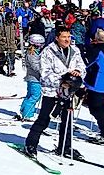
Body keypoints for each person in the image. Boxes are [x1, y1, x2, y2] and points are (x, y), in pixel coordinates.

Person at [24, 27, 86, 158]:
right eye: (64, 37)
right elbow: (44, 72)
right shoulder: (48, 51)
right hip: (52, 91)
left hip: (69, 91)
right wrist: (63, 78)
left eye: (69, 37)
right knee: (44, 119)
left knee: (67, 121)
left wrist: (78, 73)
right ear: (57, 38)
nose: (67, 40)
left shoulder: (75, 50)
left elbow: (82, 66)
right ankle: (31, 144)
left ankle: (65, 147)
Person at [17, 34, 46, 121]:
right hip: (34, 79)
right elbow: (36, 67)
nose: (42, 46)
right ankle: (28, 114)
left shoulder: (35, 53)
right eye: (41, 44)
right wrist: (45, 71)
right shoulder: (31, 54)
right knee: (35, 96)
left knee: (30, 95)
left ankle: (24, 111)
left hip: (33, 78)